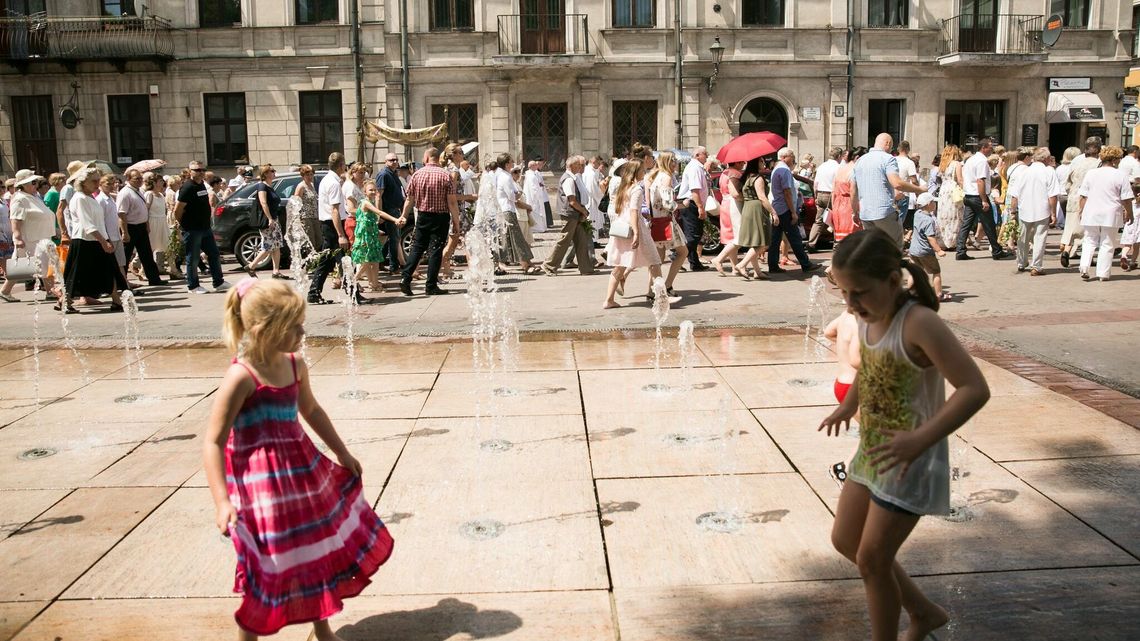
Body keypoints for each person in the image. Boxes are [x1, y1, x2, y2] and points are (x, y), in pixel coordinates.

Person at [820, 228, 991, 641]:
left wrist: (920, 440)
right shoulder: (868, 318)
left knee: (873, 560)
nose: (850, 303)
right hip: (874, 453)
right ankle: (923, 612)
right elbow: (871, 367)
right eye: (844, 293)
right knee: (846, 541)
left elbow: (974, 389)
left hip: (912, 460)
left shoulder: (919, 323)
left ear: (894, 281)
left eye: (858, 292)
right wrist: (849, 403)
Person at [204, 277, 393, 640]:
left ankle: (322, 628)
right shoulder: (240, 377)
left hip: (302, 474)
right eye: (294, 326)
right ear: (264, 330)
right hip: (261, 488)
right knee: (268, 564)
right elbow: (213, 441)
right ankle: (250, 635)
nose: (303, 331)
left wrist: (341, 450)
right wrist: (222, 502)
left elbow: (312, 410)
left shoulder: (295, 365)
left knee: (313, 548)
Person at [603, 160, 678, 309]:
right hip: (634, 228)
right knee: (654, 261)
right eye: (643, 171)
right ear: (637, 173)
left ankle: (609, 300)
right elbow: (634, 211)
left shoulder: (624, 188)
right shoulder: (636, 189)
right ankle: (662, 298)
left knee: (620, 265)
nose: (645, 173)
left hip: (622, 227)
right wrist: (637, 233)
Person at [60, 168, 128, 313]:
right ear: (83, 183)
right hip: (85, 241)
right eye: (94, 181)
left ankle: (116, 301)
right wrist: (103, 241)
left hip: (97, 239)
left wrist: (104, 239)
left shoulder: (90, 197)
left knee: (109, 270)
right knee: (77, 273)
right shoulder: (80, 199)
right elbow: (87, 224)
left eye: (98, 180)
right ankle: (64, 301)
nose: (97, 183)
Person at [399, 147, 460, 296]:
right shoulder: (446, 176)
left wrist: (404, 216)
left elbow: (409, 199)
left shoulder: (417, 175)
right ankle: (431, 285)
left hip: (423, 215)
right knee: (436, 249)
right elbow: (452, 202)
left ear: (426, 158)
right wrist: (456, 222)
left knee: (417, 248)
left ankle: (405, 278)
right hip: (441, 216)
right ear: (437, 158)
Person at [851, 134, 926, 248]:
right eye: (891, 146)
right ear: (887, 144)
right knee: (894, 247)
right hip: (884, 212)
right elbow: (896, 183)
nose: (891, 149)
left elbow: (853, 190)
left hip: (866, 213)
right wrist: (919, 189)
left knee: (874, 247)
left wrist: (854, 211)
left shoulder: (860, 161)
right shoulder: (888, 158)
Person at [1077, 145, 1134, 282]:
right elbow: (1126, 198)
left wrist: (1081, 211)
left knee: (1089, 241)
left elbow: (1083, 196)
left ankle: (1084, 267)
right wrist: (1129, 213)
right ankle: (1103, 273)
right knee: (1107, 243)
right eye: (1119, 158)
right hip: (1111, 212)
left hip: (1091, 210)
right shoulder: (1120, 175)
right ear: (1114, 159)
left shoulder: (1091, 173)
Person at [174, 161, 228, 294]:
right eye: (197, 170)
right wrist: (184, 225)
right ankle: (193, 286)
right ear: (190, 171)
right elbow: (178, 210)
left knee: (214, 254)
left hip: (205, 227)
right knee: (193, 258)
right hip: (192, 229)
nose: (201, 172)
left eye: (203, 170)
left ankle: (218, 282)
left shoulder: (202, 185)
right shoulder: (187, 187)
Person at [2, 172, 56, 302]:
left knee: (43, 263)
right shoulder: (20, 198)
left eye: (35, 182)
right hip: (29, 238)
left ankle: (50, 291)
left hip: (41, 235)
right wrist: (18, 237)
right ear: (23, 184)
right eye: (32, 182)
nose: (35, 184)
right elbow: (15, 219)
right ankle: (5, 290)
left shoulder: (33, 196)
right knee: (21, 265)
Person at [1008, 146, 1061, 276]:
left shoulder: (1023, 172)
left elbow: (1015, 195)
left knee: (1023, 237)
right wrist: (1053, 213)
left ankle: (1021, 262)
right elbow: (1052, 195)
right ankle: (1036, 266)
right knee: (1039, 238)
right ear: (1047, 159)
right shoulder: (1049, 171)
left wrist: (1013, 211)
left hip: (1025, 208)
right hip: (1042, 209)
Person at [768, 147, 822, 274]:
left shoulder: (777, 169)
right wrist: (793, 212)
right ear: (784, 157)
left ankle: (773, 265)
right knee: (794, 237)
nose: (793, 158)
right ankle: (805, 264)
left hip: (778, 207)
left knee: (775, 239)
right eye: (791, 155)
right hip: (785, 209)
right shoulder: (784, 170)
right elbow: (787, 192)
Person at [307, 153, 351, 305]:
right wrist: (341, 235)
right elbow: (335, 211)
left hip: (328, 225)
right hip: (333, 226)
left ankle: (314, 292)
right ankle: (353, 293)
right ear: (341, 165)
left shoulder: (328, 180)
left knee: (327, 261)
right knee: (345, 260)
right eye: (344, 164)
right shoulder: (333, 183)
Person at [543, 155, 594, 276]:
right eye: (579, 165)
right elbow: (572, 201)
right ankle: (549, 265)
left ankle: (586, 268)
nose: (581, 167)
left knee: (581, 240)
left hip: (575, 214)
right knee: (564, 240)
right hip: (570, 214)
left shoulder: (573, 178)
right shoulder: (569, 179)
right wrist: (583, 211)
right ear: (572, 166)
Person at [647, 151, 687, 293]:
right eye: (672, 160)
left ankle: (652, 292)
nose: (675, 163)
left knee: (656, 259)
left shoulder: (656, 176)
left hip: (657, 221)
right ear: (666, 162)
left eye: (675, 160)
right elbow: (667, 204)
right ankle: (667, 285)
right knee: (683, 252)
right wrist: (683, 204)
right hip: (665, 222)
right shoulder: (666, 177)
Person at [116, 168, 164, 287]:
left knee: (146, 253)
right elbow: (121, 214)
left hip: (141, 226)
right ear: (128, 179)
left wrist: (146, 225)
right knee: (126, 256)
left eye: (141, 178)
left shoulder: (138, 191)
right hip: (130, 227)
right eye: (136, 179)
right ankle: (123, 281)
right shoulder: (125, 193)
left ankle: (154, 278)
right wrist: (125, 232)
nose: (140, 181)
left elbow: (144, 210)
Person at [734, 157, 777, 280]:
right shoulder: (758, 178)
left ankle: (757, 271)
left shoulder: (746, 176)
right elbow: (762, 197)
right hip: (757, 208)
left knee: (754, 241)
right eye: (761, 161)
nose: (764, 163)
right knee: (762, 242)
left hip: (748, 207)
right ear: (756, 163)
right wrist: (773, 213)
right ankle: (742, 265)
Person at [1060, 138, 1101, 268]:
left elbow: (1067, 183)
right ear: (1099, 149)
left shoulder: (1077, 162)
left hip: (1073, 198)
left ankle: (1066, 251)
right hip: (1089, 199)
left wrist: (1071, 192)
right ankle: (1088, 257)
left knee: (1071, 227)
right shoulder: (1099, 164)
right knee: (1088, 230)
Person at [246, 165, 288, 279]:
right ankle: (251, 266)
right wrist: (270, 218)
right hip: (268, 221)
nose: (274, 172)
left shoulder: (270, 186)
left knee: (277, 245)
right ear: (265, 174)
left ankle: (276, 271)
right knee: (268, 246)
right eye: (272, 171)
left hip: (274, 219)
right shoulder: (262, 186)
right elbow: (263, 203)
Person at [352, 182, 394, 293]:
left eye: (375, 190)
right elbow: (379, 212)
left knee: (374, 260)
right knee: (367, 260)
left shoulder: (370, 202)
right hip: (365, 237)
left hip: (371, 235)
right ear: (364, 192)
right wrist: (395, 219)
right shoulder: (366, 203)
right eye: (370, 190)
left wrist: (376, 230)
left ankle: (374, 283)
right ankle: (353, 280)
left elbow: (369, 221)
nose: (373, 192)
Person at [908, 193, 951, 302]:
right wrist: (939, 250)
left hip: (913, 250)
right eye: (933, 202)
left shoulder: (917, 214)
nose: (935, 204)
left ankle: (909, 293)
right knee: (936, 271)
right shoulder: (928, 220)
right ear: (928, 204)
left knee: (915, 272)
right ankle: (938, 295)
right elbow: (930, 238)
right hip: (925, 251)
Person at [676, 146, 711, 271]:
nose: (707, 156)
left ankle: (694, 263)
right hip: (691, 204)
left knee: (694, 234)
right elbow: (694, 190)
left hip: (692, 203)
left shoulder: (697, 167)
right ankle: (677, 257)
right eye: (705, 154)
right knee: (693, 235)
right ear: (697, 155)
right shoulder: (695, 168)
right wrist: (700, 207)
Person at [713, 160, 745, 276]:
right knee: (739, 236)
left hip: (725, 203)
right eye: (741, 162)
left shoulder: (724, 172)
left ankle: (734, 267)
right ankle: (719, 258)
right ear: (736, 163)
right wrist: (745, 198)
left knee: (731, 237)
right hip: (734, 205)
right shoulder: (734, 174)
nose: (743, 163)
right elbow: (735, 194)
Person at [807, 146, 843, 250]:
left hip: (820, 193)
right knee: (836, 220)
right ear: (839, 156)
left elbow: (815, 183)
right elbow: (838, 183)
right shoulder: (838, 167)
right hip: (832, 194)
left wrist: (816, 196)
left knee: (818, 220)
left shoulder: (822, 166)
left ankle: (811, 243)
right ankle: (837, 243)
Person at [829, 147, 865, 245]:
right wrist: (855, 211)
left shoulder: (840, 169)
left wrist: (834, 207)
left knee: (842, 238)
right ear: (857, 158)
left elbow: (834, 191)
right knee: (853, 237)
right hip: (849, 204)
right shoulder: (854, 170)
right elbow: (853, 192)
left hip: (838, 204)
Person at [142, 172, 171, 278]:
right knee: (150, 247)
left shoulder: (161, 195)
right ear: (154, 182)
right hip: (153, 222)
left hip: (162, 221)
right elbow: (146, 210)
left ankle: (172, 269)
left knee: (168, 246)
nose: (162, 182)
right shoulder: (149, 194)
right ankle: (142, 269)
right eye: (160, 181)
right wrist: (147, 224)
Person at [292, 165, 322, 252]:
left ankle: (316, 261)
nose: (310, 177)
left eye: (311, 174)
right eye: (307, 175)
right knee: (310, 241)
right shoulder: (301, 186)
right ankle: (310, 263)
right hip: (306, 217)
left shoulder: (311, 185)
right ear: (303, 176)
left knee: (319, 240)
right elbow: (296, 202)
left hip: (315, 216)